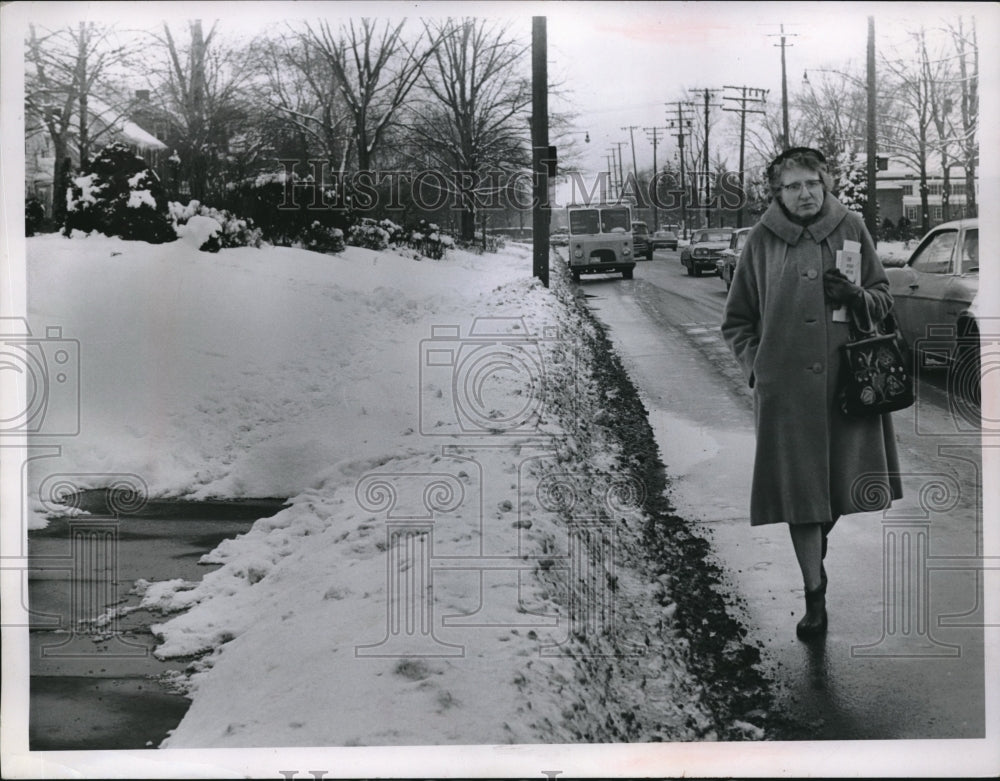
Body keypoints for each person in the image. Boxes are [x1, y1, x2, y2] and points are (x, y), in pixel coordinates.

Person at [721, 147, 902, 639]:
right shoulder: (760, 240)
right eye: (793, 185)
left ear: (826, 186)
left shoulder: (851, 228)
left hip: (849, 386)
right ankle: (814, 596)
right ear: (777, 193)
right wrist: (758, 370)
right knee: (801, 497)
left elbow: (884, 298)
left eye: (812, 184)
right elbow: (736, 321)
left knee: (840, 491)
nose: (804, 193)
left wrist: (856, 297)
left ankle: (816, 542)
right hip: (787, 396)